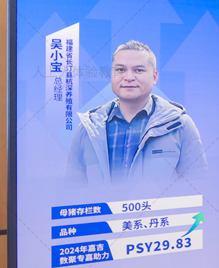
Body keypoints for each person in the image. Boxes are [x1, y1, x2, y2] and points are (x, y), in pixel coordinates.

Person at [65, 40, 206, 187]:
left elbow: (198, 184)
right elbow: (71, 190)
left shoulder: (179, 125)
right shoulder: (87, 130)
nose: (128, 77)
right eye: (120, 70)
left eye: (138, 70)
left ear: (154, 77)